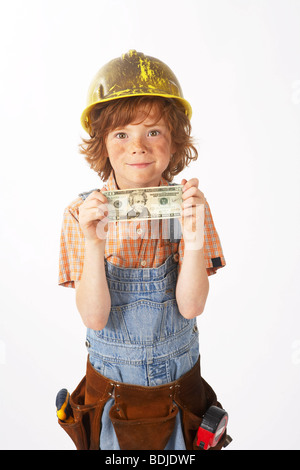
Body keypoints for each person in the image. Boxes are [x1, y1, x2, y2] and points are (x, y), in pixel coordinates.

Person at [58, 50, 228, 450]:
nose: (138, 147)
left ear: (175, 142)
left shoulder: (191, 209)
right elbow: (94, 317)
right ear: (102, 143)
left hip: (179, 391)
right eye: (121, 134)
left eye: (152, 131)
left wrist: (194, 234)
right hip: (112, 394)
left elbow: (191, 307)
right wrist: (93, 240)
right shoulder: (78, 215)